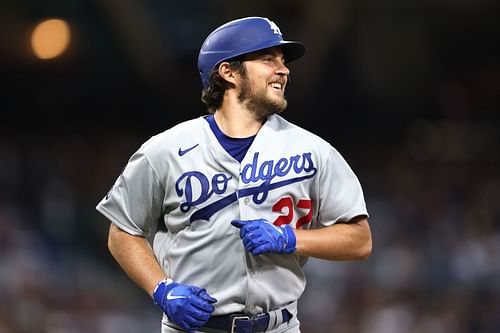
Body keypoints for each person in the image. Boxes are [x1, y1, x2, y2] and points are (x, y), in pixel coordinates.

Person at [96, 16, 372, 333]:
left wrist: (291, 238)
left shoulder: (313, 151)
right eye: (268, 59)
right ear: (228, 72)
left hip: (277, 326)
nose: (283, 69)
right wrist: (161, 288)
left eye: (283, 61)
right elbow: (122, 232)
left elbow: (360, 240)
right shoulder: (165, 150)